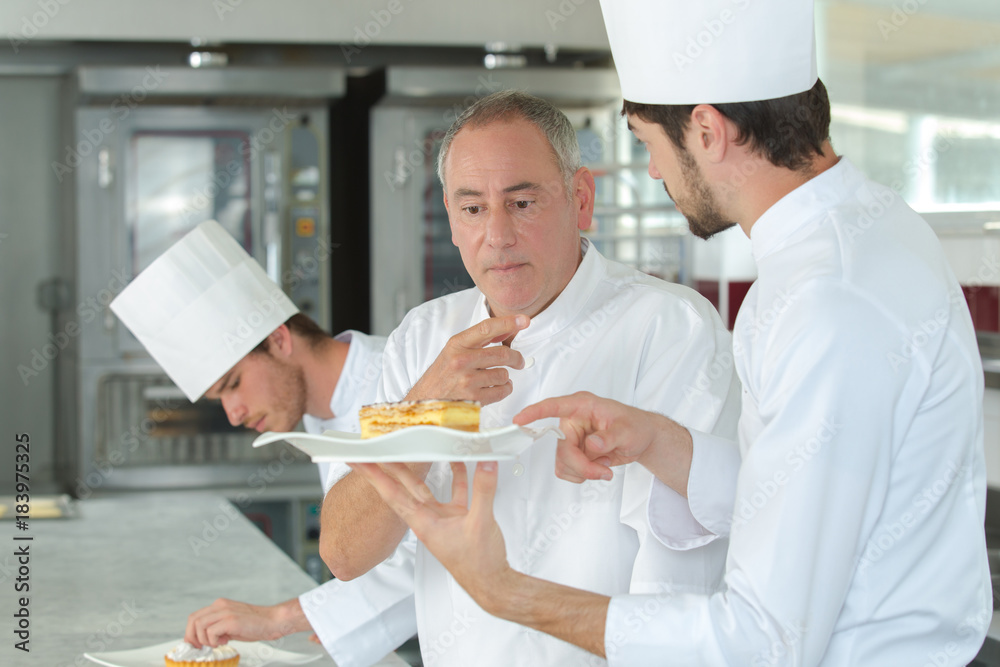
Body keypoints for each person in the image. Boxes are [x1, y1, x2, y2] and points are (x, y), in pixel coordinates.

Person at [352, 1, 992, 665]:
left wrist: (504, 590)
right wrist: (664, 444)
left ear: (708, 132)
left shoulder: (827, 298)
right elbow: (792, 493)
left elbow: (762, 642)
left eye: (649, 143)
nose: (655, 171)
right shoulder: (863, 235)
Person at [320, 90, 742, 666]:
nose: (497, 236)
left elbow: (679, 582)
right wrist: (425, 408)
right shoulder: (422, 339)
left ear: (581, 199)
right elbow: (344, 551)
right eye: (473, 209)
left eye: (521, 203)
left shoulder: (668, 327)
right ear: (449, 217)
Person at [110, 220, 416, 667]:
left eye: (233, 384)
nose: (233, 413)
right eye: (220, 399)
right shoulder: (317, 414)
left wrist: (283, 617)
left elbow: (435, 555)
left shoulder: (400, 382)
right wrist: (328, 615)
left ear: (278, 338)